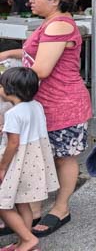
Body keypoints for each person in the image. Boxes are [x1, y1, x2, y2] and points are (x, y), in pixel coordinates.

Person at [0, 0, 92, 237]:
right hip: (45, 103)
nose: (30, 0)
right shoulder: (50, 22)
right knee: (40, 155)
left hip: (63, 103)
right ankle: (34, 209)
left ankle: (61, 208)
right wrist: (10, 53)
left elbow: (40, 68)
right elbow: (34, 53)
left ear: (55, 0)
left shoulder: (59, 26)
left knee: (64, 157)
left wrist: (5, 79)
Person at [0, 68, 59, 251]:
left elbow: (13, 144)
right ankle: (24, 242)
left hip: (18, 164)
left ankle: (28, 240)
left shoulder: (13, 114)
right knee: (22, 202)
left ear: (10, 90)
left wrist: (2, 167)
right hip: (35, 161)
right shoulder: (36, 106)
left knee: (2, 204)